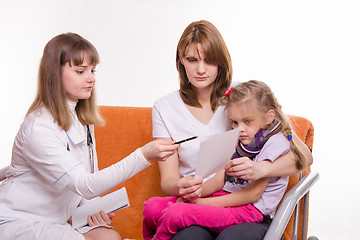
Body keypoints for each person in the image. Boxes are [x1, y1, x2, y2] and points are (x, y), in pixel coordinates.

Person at [0, 33, 179, 240]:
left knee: (110, 237)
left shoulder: (81, 119)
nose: (91, 78)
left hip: (57, 218)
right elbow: (85, 184)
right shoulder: (39, 126)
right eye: (80, 71)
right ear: (54, 73)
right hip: (20, 220)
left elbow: (82, 182)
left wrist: (92, 209)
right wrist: (144, 154)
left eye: (92, 70)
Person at [145, 20, 313, 240]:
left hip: (242, 208)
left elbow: (303, 156)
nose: (201, 69)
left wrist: (261, 169)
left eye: (209, 60)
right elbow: (171, 182)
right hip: (206, 197)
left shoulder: (241, 98)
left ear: (221, 62)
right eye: (192, 60)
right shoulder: (164, 107)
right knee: (174, 226)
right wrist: (184, 190)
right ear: (180, 60)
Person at [143, 80, 308, 240]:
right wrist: (195, 193)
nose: (239, 128)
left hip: (249, 210)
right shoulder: (241, 139)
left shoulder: (274, 142)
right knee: (152, 207)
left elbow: (253, 194)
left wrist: (201, 204)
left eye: (247, 121)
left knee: (177, 213)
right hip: (225, 198)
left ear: (268, 117)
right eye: (235, 122)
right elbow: (220, 178)